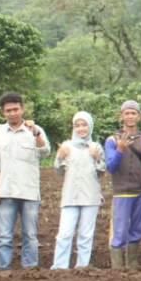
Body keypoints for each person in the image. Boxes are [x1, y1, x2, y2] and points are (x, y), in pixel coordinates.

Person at [0, 92, 50, 270]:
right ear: (3, 112)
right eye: (8, 110)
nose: (12, 113)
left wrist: (36, 133)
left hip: (29, 191)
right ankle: (3, 268)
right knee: (4, 236)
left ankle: (30, 270)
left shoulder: (34, 130)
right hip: (6, 191)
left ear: (22, 109)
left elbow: (45, 152)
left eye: (15, 109)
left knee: (30, 235)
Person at [52, 111, 105, 269]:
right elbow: (58, 171)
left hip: (90, 196)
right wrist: (60, 157)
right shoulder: (66, 146)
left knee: (85, 235)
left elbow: (102, 171)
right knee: (64, 234)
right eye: (77, 125)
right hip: (70, 196)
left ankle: (82, 267)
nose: (81, 128)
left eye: (84, 125)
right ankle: (59, 266)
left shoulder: (95, 147)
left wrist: (97, 158)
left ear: (90, 127)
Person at [104, 100, 141, 269]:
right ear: (121, 116)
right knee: (119, 229)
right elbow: (110, 166)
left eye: (133, 113)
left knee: (138, 228)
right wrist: (120, 150)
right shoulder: (112, 140)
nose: (130, 116)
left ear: (139, 117)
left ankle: (132, 263)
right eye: (127, 113)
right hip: (122, 191)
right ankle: (117, 266)